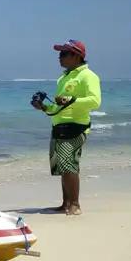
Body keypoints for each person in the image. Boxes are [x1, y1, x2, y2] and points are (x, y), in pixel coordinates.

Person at [31, 39, 101, 216]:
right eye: (59, 54)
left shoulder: (88, 76)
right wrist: (44, 107)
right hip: (59, 126)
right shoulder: (63, 78)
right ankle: (65, 204)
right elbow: (58, 106)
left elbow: (95, 101)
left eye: (63, 54)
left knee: (69, 165)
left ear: (77, 56)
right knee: (62, 166)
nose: (59, 57)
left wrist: (72, 100)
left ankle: (75, 205)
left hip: (76, 127)